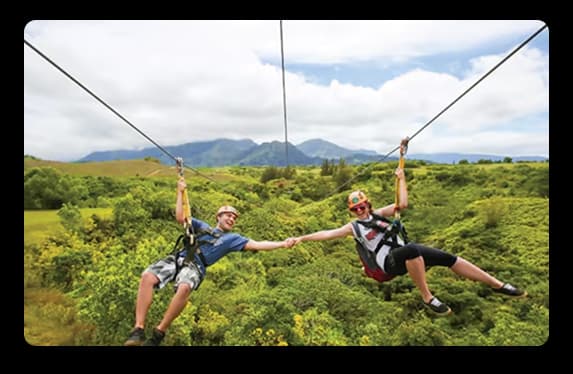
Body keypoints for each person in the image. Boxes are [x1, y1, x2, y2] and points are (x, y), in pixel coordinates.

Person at [291, 158, 526, 316]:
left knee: (449, 258)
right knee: (412, 249)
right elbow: (327, 234)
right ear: (351, 212)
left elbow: (402, 204)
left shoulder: (379, 214)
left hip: (404, 255)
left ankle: (497, 285)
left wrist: (401, 177)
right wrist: (302, 238)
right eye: (356, 209)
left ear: (368, 204)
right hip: (389, 263)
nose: (361, 211)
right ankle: (427, 297)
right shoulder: (354, 227)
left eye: (363, 206)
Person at [124, 179, 296, 346]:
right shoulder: (202, 226)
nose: (231, 219)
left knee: (184, 287)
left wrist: (282, 243)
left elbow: (259, 244)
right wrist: (180, 192)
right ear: (218, 217)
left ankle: (159, 333)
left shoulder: (233, 239)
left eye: (234, 218)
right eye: (228, 216)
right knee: (147, 276)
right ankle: (138, 329)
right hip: (180, 258)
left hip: (196, 266)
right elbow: (181, 217)